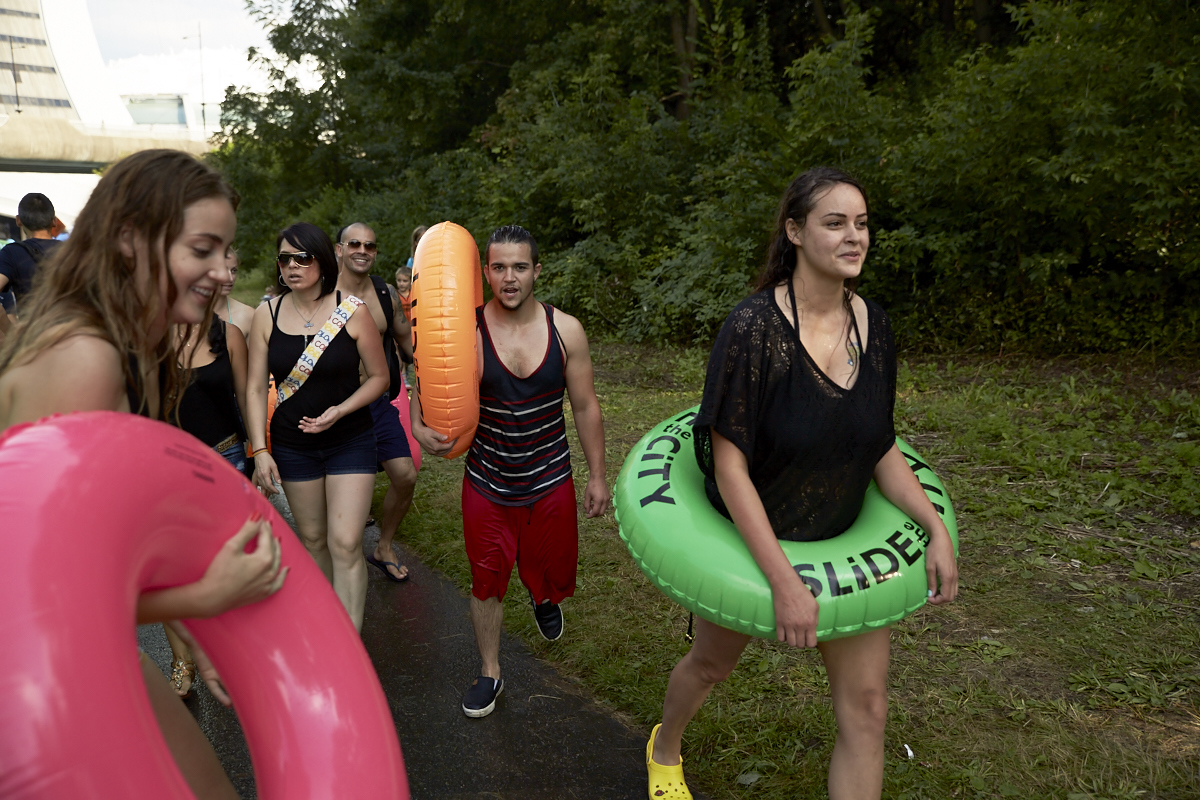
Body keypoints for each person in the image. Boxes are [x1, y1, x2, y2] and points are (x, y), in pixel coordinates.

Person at [644, 167, 959, 800]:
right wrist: (785, 583)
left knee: (868, 711)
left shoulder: (876, 325)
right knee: (710, 665)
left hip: (842, 539)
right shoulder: (753, 330)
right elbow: (729, 467)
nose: (855, 237)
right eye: (835, 223)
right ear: (794, 231)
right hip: (750, 535)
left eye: (863, 224)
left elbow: (879, 446)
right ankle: (664, 744)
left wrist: (933, 528)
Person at [0, 148, 287, 800]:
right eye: (203, 250)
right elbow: (40, 596)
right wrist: (205, 600)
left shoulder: (127, 347)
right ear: (131, 242)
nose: (221, 272)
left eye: (226, 252)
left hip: (79, 652)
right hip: (36, 675)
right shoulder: (86, 360)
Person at [411, 224, 611, 719]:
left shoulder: (566, 330)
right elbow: (423, 380)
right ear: (485, 272)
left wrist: (598, 475)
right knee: (486, 580)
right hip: (487, 479)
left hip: (550, 478)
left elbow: (585, 407)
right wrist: (418, 426)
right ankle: (490, 671)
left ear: (537, 270)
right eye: (499, 267)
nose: (509, 277)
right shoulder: (464, 331)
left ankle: (544, 597)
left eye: (520, 266)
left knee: (555, 569)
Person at [246, 222, 389, 632]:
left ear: (322, 260)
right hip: (293, 445)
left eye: (302, 258)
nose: (292, 266)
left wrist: (340, 411)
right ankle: (327, 630)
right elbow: (255, 388)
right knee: (313, 541)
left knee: (345, 543)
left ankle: (350, 645)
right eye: (285, 259)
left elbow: (378, 378)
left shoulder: (352, 310)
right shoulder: (267, 314)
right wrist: (261, 450)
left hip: (351, 439)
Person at [164, 311, 251, 695]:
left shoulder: (228, 335)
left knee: (225, 563)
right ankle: (183, 662)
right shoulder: (148, 336)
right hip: (168, 466)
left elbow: (248, 395)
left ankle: (230, 653)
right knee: (173, 568)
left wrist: (260, 452)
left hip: (227, 458)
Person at [335, 222, 417, 584]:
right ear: (339, 249)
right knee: (345, 495)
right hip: (335, 408)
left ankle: (383, 546)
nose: (362, 250)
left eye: (370, 245)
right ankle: (341, 566)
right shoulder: (321, 294)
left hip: (378, 403)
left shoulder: (384, 294)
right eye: (354, 243)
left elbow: (408, 344)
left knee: (405, 475)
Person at [0, 193, 61, 336]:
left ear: (18, 221)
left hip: (33, 342)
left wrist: (12, 336)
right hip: (72, 342)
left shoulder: (11, 253)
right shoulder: (74, 250)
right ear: (54, 221)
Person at [216, 247, 255, 335]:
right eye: (223, 270)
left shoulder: (248, 315)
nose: (230, 278)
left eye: (233, 271)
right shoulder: (184, 314)